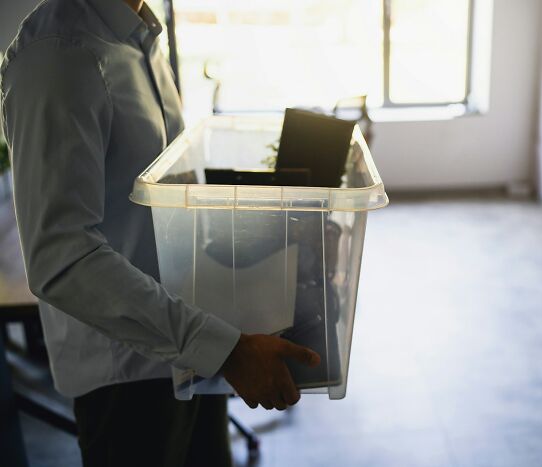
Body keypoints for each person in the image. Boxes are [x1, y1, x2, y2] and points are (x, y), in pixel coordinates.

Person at [0, 0, 320, 465]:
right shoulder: (59, 56)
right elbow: (61, 259)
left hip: (194, 352)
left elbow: (165, 207)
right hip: (129, 380)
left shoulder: (139, 38)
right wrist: (225, 350)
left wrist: (277, 228)